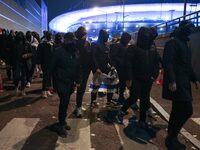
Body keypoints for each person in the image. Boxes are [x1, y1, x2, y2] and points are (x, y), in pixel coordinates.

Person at [162, 20, 199, 150]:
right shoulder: (173, 42)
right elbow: (168, 62)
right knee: (187, 110)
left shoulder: (184, 43)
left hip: (184, 82)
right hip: (177, 83)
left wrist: (194, 79)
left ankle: (171, 137)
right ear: (182, 29)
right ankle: (171, 137)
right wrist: (172, 80)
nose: (190, 31)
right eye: (188, 28)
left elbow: (188, 65)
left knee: (177, 110)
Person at [115, 26, 160, 125]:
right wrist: (129, 78)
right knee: (134, 97)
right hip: (136, 78)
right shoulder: (133, 48)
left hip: (148, 78)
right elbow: (128, 64)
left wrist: (154, 75)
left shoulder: (152, 49)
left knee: (144, 99)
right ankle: (121, 112)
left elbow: (156, 62)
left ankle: (142, 120)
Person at [51, 32, 80, 137]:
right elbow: (51, 67)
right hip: (61, 81)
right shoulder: (58, 51)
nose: (72, 42)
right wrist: (48, 83)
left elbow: (77, 67)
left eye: (73, 40)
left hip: (70, 82)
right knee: (64, 102)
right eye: (69, 40)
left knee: (66, 102)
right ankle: (61, 124)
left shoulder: (75, 52)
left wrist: (78, 80)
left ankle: (62, 122)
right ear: (65, 40)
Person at [74, 26, 93, 117]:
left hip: (85, 69)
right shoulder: (78, 43)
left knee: (81, 89)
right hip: (79, 69)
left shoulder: (87, 43)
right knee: (80, 88)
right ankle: (78, 107)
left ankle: (78, 105)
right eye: (85, 33)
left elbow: (89, 56)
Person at [91, 29, 113, 105]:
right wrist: (96, 68)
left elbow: (108, 57)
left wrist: (112, 65)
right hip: (98, 70)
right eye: (106, 36)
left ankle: (109, 100)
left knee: (110, 85)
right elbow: (93, 57)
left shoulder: (106, 46)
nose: (107, 37)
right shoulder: (95, 44)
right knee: (96, 86)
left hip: (106, 69)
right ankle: (93, 101)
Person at [110, 32, 131, 105]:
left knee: (122, 83)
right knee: (119, 83)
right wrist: (119, 63)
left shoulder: (125, 46)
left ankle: (120, 97)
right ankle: (118, 97)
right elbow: (113, 56)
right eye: (128, 39)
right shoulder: (118, 46)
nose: (128, 41)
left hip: (124, 68)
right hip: (119, 68)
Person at [37, 32, 54, 98]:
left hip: (51, 63)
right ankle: (43, 91)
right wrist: (39, 63)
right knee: (45, 77)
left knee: (49, 77)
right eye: (48, 35)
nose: (50, 37)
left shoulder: (52, 43)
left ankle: (47, 90)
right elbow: (39, 54)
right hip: (45, 63)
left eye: (50, 35)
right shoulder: (42, 44)